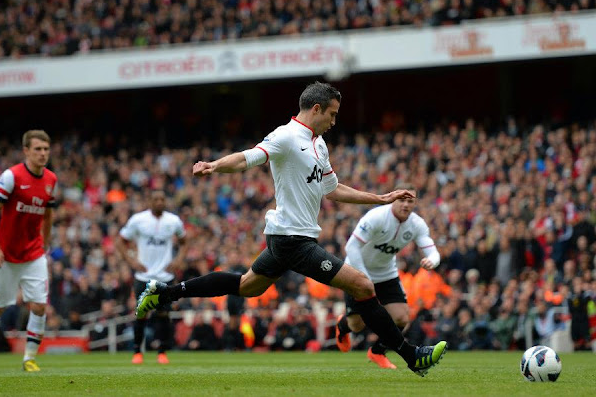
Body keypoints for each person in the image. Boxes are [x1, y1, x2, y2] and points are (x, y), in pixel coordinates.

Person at [137, 82, 447, 376]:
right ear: (316, 108)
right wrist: (215, 165)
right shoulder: (286, 136)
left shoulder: (318, 145)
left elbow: (333, 189)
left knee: (247, 286)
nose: (335, 121)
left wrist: (380, 198)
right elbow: (249, 158)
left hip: (288, 237)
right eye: (332, 114)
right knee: (364, 286)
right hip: (292, 240)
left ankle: (165, 293)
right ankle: (412, 356)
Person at [0, 130, 57, 372]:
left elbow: (48, 213)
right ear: (26, 151)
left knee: (39, 306)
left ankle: (29, 359)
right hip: (5, 255)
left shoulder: (51, 179)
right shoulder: (11, 177)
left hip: (33, 254)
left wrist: (45, 241)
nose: (43, 154)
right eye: (37, 149)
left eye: (46, 149)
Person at [334, 183, 442, 370]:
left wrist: (432, 260)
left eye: (410, 201)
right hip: (357, 271)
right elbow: (351, 247)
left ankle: (377, 351)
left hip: (386, 274)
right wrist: (363, 276)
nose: (406, 205)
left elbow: (432, 250)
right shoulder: (377, 217)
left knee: (402, 318)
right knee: (357, 325)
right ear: (393, 198)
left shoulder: (416, 224)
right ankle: (343, 326)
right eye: (401, 199)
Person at [115, 190, 187, 364]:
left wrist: (178, 260)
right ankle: (137, 352)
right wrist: (131, 261)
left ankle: (162, 352)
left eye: (162, 199)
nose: (160, 202)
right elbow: (120, 241)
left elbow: (184, 241)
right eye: (156, 199)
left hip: (165, 276)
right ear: (149, 201)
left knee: (163, 314)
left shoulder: (173, 221)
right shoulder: (138, 220)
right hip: (143, 276)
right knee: (141, 313)